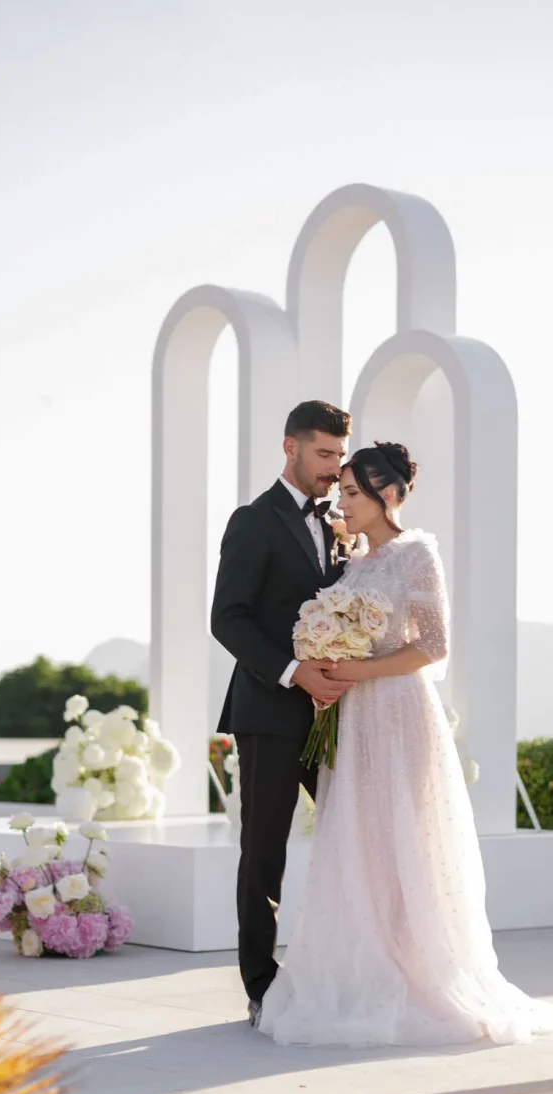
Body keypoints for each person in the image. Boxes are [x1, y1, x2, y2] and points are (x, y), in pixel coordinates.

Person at [258, 441, 553, 1047]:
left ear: (388, 495)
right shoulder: (351, 565)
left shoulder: (417, 554)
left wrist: (353, 673)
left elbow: (432, 646)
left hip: (398, 714)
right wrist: (326, 671)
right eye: (340, 490)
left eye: (351, 492)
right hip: (354, 716)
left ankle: (421, 973)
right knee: (357, 839)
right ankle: (361, 968)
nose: (340, 502)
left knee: (406, 837)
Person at [211, 399, 353, 1026]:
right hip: (269, 711)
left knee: (357, 839)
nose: (333, 468)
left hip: (335, 713)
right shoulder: (253, 520)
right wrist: (295, 671)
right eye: (324, 454)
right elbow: (228, 618)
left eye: (339, 457)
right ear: (290, 448)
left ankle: (349, 967)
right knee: (264, 851)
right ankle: (261, 986)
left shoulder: (341, 522)